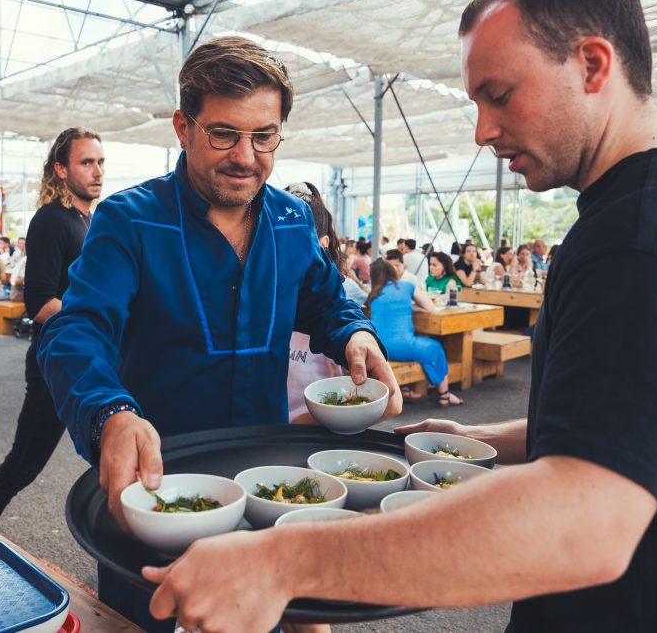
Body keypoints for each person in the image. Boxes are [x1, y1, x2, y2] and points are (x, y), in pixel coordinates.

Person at [141, 0, 657, 632]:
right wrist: (484, 439)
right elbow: (654, 434)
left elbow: (587, 521)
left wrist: (283, 560)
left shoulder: (640, 241)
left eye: (498, 94)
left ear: (592, 65)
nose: (481, 129)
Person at [36, 35, 401, 632]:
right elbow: (77, 330)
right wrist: (110, 413)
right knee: (139, 621)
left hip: (267, 487)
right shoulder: (129, 219)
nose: (246, 156)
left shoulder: (290, 218)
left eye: (265, 137)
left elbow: (325, 301)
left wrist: (355, 333)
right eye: (224, 134)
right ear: (184, 127)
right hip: (157, 486)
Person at [0, 127, 104, 528]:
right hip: (57, 363)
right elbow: (40, 303)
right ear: (61, 170)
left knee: (114, 458)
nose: (97, 171)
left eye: (100, 162)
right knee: (23, 465)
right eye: (87, 162)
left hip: (89, 362)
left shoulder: (87, 220)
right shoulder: (52, 220)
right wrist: (100, 312)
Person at [284, 181, 356, 424]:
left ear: (323, 243)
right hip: (264, 431)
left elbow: (359, 393)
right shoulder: (261, 294)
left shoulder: (336, 302)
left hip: (316, 432)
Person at [365, 259, 461, 407]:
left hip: (379, 348)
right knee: (435, 347)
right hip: (403, 346)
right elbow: (429, 307)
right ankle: (444, 395)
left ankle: (405, 388)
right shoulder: (407, 286)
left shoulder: (373, 294)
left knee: (417, 343)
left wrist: (409, 307)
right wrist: (413, 307)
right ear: (393, 272)